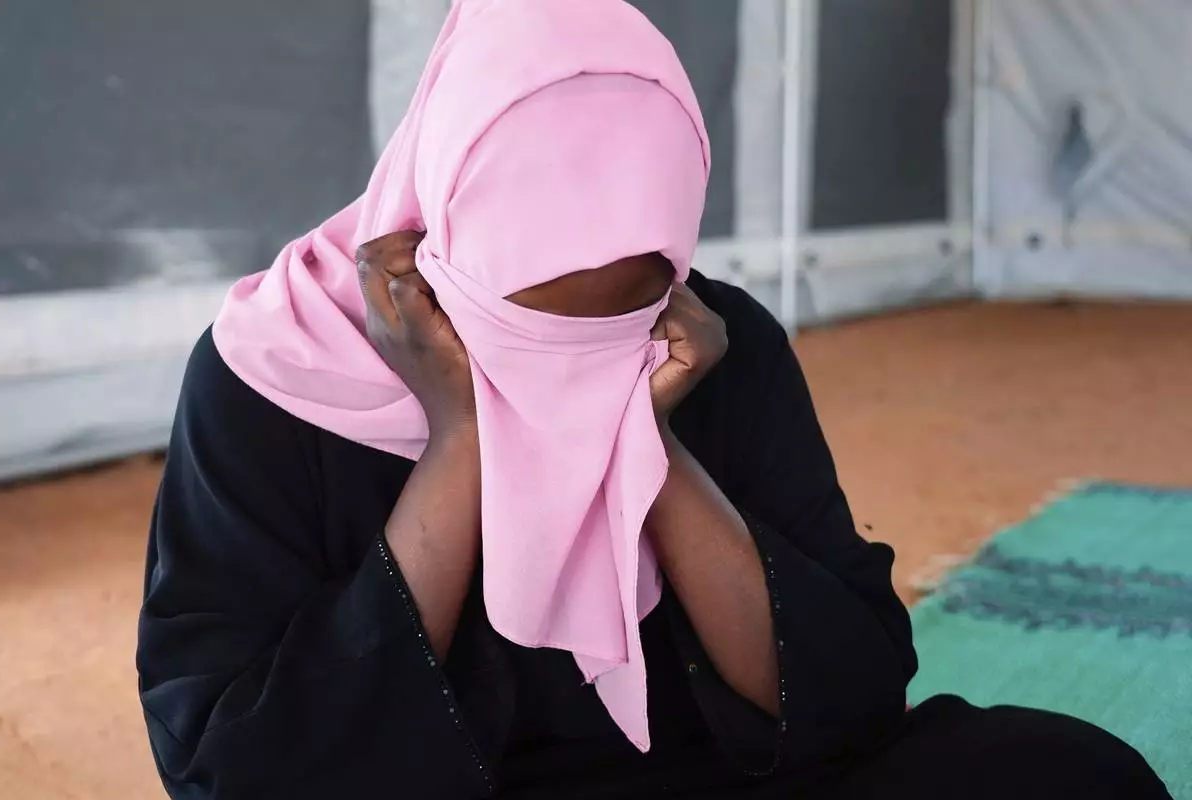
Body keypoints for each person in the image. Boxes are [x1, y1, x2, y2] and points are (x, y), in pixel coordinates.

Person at [136, 1, 1171, 798]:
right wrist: (460, 443)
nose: (567, 362)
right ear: (441, 223)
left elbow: (853, 687)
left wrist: (645, 434)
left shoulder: (717, 344)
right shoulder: (272, 376)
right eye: (527, 321)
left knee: (1072, 772)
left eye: (614, 318)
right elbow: (234, 762)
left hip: (707, 773)